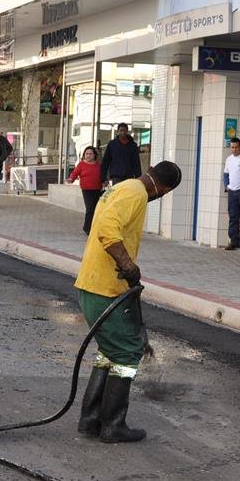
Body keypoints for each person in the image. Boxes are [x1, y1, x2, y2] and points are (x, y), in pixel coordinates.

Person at [74, 162, 182, 443]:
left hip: (95, 283)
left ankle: (90, 419)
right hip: (104, 288)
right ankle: (112, 425)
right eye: (166, 193)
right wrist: (127, 264)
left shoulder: (123, 187)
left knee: (110, 352)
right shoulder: (136, 193)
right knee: (127, 354)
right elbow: (108, 229)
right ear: (164, 188)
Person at [222, 137, 240, 251]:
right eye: (232, 147)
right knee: (233, 217)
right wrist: (226, 186)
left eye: (236, 147)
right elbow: (225, 174)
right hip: (232, 192)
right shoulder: (229, 159)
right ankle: (233, 241)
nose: (234, 149)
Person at [68, 144, 103, 234]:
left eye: (90, 154)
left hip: (98, 189)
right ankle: (87, 228)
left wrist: (105, 181)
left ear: (94, 155)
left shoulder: (98, 165)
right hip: (86, 189)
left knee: (97, 209)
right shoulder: (81, 164)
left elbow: (102, 175)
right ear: (84, 155)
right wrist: (71, 179)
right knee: (90, 208)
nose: (88, 155)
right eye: (86, 154)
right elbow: (75, 173)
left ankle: (95, 227)